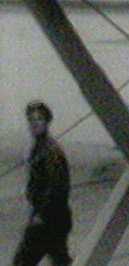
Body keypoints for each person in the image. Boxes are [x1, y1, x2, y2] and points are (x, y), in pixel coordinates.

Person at [12, 101, 72, 266]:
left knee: (22, 262)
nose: (34, 124)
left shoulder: (49, 152)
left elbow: (56, 187)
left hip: (48, 219)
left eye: (38, 119)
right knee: (60, 260)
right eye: (31, 120)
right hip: (55, 218)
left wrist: (41, 215)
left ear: (46, 122)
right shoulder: (39, 148)